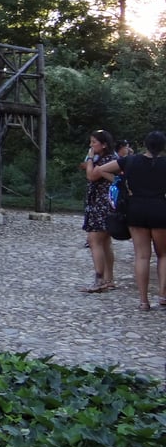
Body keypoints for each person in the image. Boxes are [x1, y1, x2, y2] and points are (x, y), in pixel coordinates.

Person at [98, 131, 166, 311]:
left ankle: (143, 301)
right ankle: (163, 295)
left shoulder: (130, 161)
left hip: (136, 210)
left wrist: (120, 183)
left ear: (145, 143)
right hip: (160, 210)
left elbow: (102, 169)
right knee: (163, 255)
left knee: (142, 256)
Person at [80, 129, 118, 293]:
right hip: (103, 204)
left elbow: (92, 175)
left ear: (103, 144)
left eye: (94, 142)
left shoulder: (108, 159)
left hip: (102, 205)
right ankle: (109, 279)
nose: (91, 145)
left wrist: (89, 159)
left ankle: (99, 279)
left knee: (94, 239)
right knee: (105, 242)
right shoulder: (107, 158)